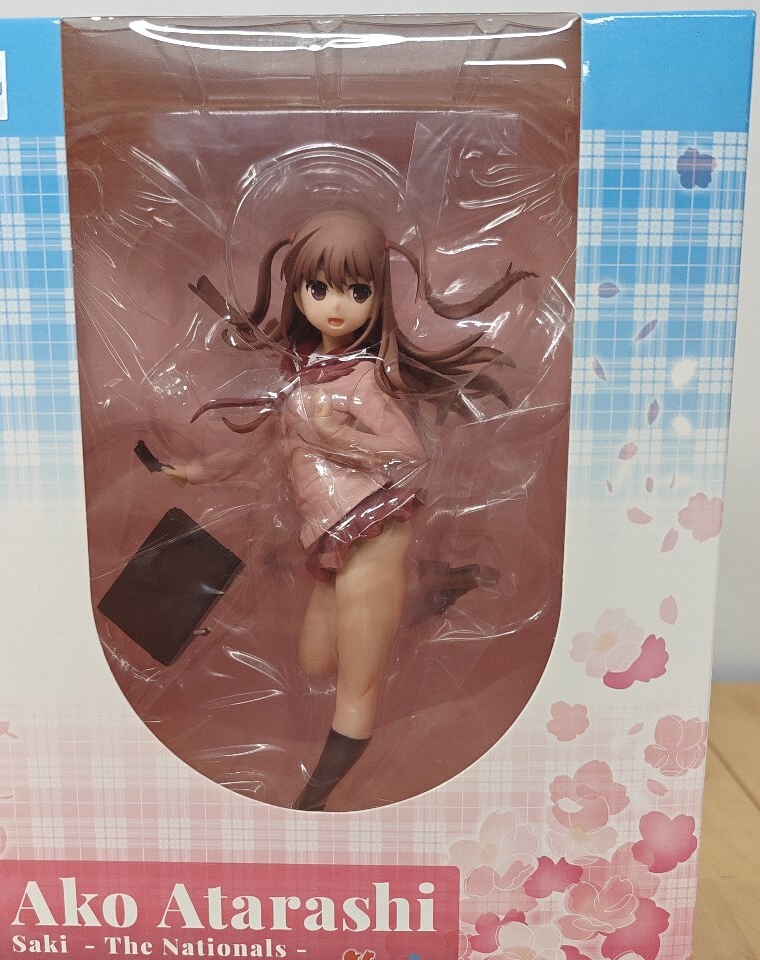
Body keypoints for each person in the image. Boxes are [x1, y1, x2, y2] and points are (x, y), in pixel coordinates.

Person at [163, 207, 530, 810]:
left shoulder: (363, 380)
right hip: (329, 541)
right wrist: (193, 472)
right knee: (314, 662)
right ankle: (433, 588)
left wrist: (339, 439)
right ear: (296, 293)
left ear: (377, 297)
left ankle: (313, 802)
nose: (337, 306)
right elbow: (259, 450)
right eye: (319, 288)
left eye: (357, 291)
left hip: (372, 531)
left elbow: (409, 452)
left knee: (356, 688)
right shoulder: (300, 378)